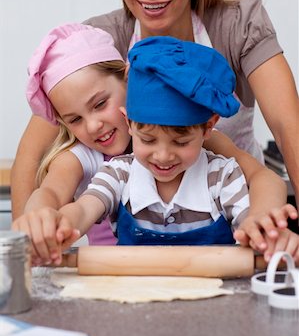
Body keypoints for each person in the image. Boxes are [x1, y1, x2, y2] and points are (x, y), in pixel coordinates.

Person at [11, 0, 298, 235]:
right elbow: (33, 158)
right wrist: (27, 251)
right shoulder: (101, 41)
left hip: (238, 219)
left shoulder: (237, 22)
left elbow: (286, 126)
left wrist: (262, 223)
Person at [13, 37, 298, 266]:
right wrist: (46, 220)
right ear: (130, 121)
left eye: (181, 141)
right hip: (121, 281)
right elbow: (69, 202)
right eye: (148, 140)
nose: (163, 155)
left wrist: (262, 224)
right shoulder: (116, 171)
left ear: (207, 129)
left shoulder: (219, 172)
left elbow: (263, 179)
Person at [14, 23, 133, 251]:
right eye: (75, 119)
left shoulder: (176, 138)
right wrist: (39, 215)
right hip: (107, 281)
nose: (93, 126)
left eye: (100, 104)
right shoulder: (83, 158)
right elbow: (50, 191)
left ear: (127, 81)